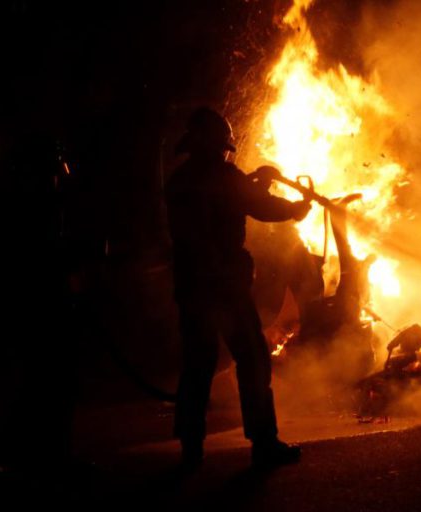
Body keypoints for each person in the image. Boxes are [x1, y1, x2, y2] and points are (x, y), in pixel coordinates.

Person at [165, 107, 310, 468]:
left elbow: (233, 199)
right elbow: (258, 205)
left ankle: (190, 448)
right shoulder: (224, 177)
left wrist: (253, 186)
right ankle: (264, 443)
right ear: (218, 145)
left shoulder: (180, 180)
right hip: (225, 286)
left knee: (197, 363)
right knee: (253, 358)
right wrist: (296, 208)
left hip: (192, 285)